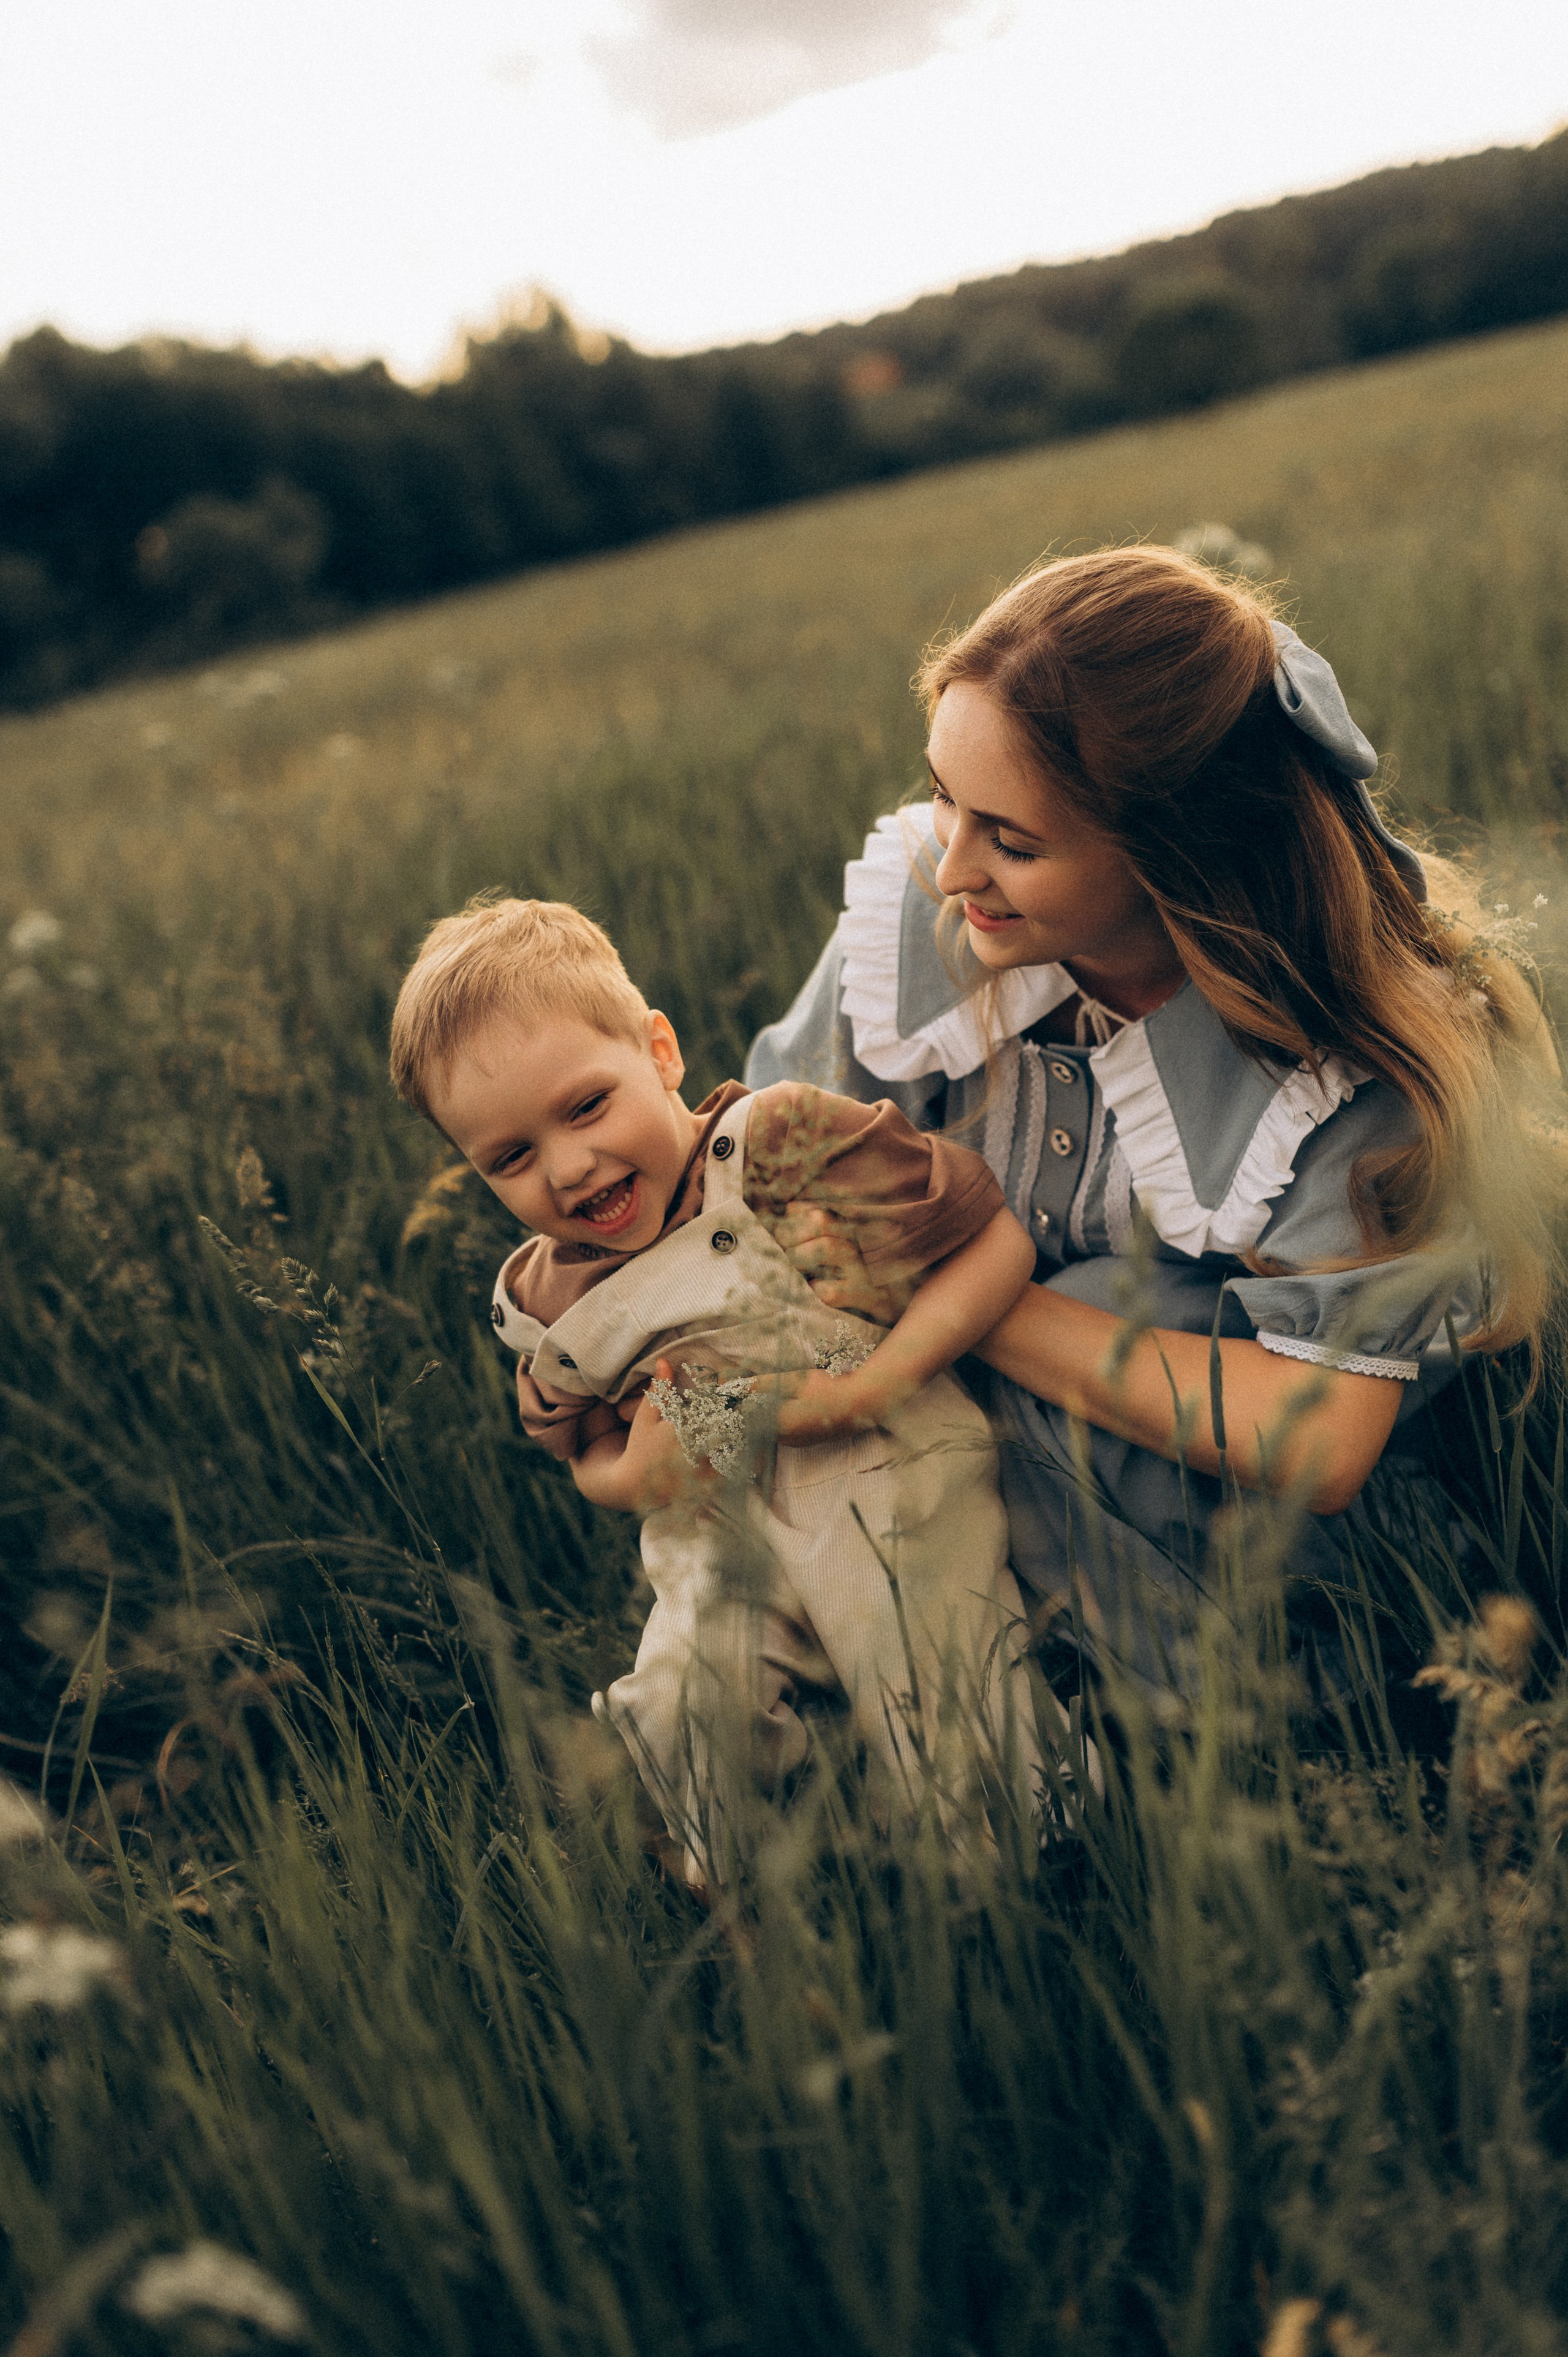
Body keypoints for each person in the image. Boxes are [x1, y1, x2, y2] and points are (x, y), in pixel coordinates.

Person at [747, 546, 1562, 1694]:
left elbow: (1320, 1441)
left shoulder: (1342, 1065)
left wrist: (955, 1301)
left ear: (1176, 857)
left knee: (1120, 1304)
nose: (951, 870)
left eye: (1014, 842)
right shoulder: (919, 940)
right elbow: (755, 1168)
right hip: (958, 1527)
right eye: (944, 797)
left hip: (1261, 1595)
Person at [389, 897, 1063, 1892]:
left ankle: (1022, 1888)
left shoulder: (782, 1143)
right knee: (688, 1708)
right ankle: (752, 1892)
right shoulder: (546, 1298)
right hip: (714, 1520)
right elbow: (574, 1446)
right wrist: (629, 1478)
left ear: (658, 1049)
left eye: (586, 1107)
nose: (569, 1170)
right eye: (511, 1158)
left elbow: (996, 1240)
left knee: (938, 1692)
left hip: (886, 1463)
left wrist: (881, 1378)